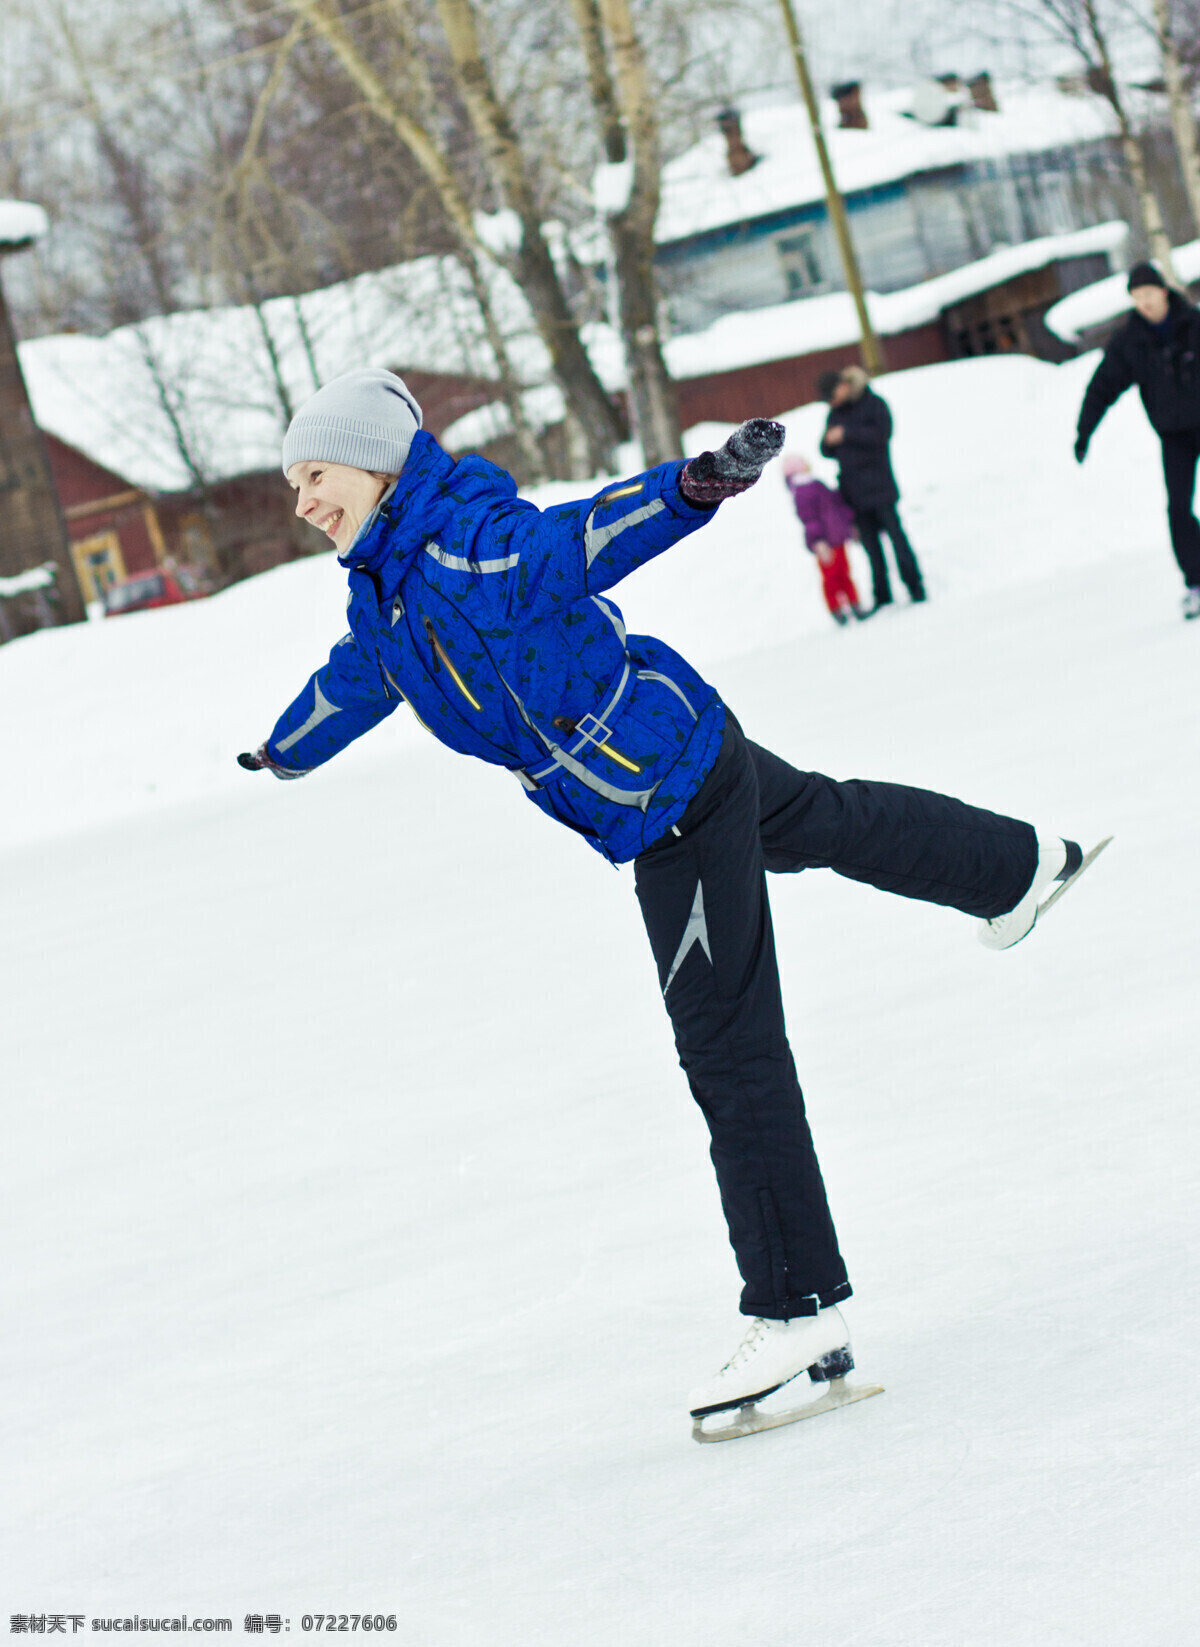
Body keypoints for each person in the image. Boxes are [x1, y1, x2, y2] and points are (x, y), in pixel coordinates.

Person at [238, 368, 1088, 1431]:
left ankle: (799, 1307)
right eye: (295, 484)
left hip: (667, 796)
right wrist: (285, 747)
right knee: (826, 820)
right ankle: (1019, 867)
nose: (304, 501)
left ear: (375, 462)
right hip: (679, 757)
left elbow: (581, 540)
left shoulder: (468, 547)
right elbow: (360, 675)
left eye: (316, 475)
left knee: (728, 1049)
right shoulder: (387, 589)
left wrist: (690, 486)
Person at [1074, 261, 1200, 621]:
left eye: (1147, 295)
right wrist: (1084, 431)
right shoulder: (1131, 342)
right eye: (1136, 298)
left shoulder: (1194, 323)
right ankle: (1197, 581)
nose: (1143, 304)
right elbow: (1102, 387)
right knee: (1178, 508)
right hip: (1174, 434)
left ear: (1162, 291)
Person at [817, 366, 925, 611]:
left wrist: (847, 434)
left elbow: (882, 434)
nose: (831, 403)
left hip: (880, 487)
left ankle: (915, 587)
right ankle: (882, 596)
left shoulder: (873, 403)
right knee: (872, 549)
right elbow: (825, 450)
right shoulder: (835, 414)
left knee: (897, 540)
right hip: (854, 493)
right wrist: (829, 440)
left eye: (832, 396)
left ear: (843, 386)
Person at [781, 451, 868, 625]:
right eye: (803, 463)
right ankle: (836, 609)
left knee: (844, 572)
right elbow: (809, 520)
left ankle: (854, 604)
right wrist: (818, 541)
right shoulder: (802, 492)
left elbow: (836, 505)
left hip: (838, 538)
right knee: (831, 577)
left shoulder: (816, 484)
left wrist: (849, 524)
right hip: (825, 544)